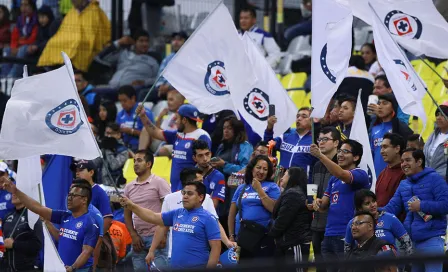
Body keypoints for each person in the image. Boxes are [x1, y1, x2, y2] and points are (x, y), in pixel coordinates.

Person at [0, 176, 100, 272]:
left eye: (73, 196)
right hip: (63, 268)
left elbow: (86, 252)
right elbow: (38, 208)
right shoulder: (65, 216)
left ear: (84, 199)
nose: (69, 198)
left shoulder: (91, 223)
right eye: (69, 195)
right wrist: (15, 191)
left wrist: (73, 268)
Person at [120, 180, 221, 269]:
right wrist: (132, 206)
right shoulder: (177, 213)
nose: (185, 196)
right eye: (184, 193)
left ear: (200, 197)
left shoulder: (208, 218)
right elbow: (152, 217)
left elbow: (216, 248)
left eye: (190, 194)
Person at [146, 168, 235, 268]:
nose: (203, 184)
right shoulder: (170, 199)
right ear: (189, 183)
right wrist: (152, 250)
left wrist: (227, 242)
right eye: (200, 181)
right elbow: (161, 225)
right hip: (175, 257)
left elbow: (215, 223)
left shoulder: (206, 198)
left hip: (198, 259)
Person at [383, 148, 448, 272]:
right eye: (402, 161)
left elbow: (446, 205)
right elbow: (392, 207)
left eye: (408, 160)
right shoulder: (403, 184)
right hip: (412, 243)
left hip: (432, 239)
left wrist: (421, 206)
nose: (403, 164)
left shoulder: (435, 179)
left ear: (419, 162)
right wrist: (376, 211)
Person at [310, 139, 370, 271]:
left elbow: (342, 174)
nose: (340, 154)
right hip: (329, 235)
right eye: (339, 151)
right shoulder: (333, 179)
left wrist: (320, 155)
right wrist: (317, 203)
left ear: (356, 157)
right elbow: (324, 205)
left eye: (345, 151)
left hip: (348, 234)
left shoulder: (361, 174)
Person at [138, 103, 211, 192]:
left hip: (191, 189)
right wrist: (143, 116)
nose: (175, 121)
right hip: (175, 188)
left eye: (177, 118)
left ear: (184, 120)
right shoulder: (177, 134)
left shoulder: (201, 136)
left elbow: (205, 162)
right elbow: (155, 132)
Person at [123, 150, 171, 271]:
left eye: (139, 160)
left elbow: (168, 210)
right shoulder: (129, 187)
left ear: (149, 164)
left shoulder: (159, 182)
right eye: (134, 161)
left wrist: (164, 234)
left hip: (157, 236)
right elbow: (127, 214)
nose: (135, 164)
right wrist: (133, 235)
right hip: (138, 238)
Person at [228, 155, 281, 259]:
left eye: (265, 169)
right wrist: (231, 235)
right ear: (252, 168)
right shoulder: (241, 188)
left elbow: (274, 209)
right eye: (258, 167)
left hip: (262, 237)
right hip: (242, 237)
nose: (261, 171)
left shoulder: (273, 187)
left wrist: (259, 189)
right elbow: (232, 214)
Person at [37, 0, 110, 72]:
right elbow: (63, 30)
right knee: (53, 42)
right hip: (70, 38)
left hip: (88, 41)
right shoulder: (73, 11)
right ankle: (51, 66)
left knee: (77, 44)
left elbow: (100, 30)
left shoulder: (94, 10)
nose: (73, 2)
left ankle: (72, 68)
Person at [210, 116, 253, 231]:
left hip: (236, 191)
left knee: (233, 224)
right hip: (221, 191)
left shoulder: (245, 146)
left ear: (237, 130)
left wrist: (224, 165)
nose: (226, 131)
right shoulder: (222, 146)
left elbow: (245, 169)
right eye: (224, 128)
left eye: (229, 128)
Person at [309, 126, 340, 272]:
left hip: (334, 223)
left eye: (325, 139)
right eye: (319, 139)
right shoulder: (316, 165)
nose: (321, 142)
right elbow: (312, 186)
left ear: (336, 143)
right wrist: (311, 200)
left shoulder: (340, 164)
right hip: (317, 223)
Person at [344, 189, 412, 256]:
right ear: (359, 208)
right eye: (367, 203)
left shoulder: (390, 218)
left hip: (390, 264)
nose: (372, 205)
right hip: (364, 265)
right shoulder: (353, 224)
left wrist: (405, 265)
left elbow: (407, 243)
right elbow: (347, 250)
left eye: (374, 201)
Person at [269, 167, 311, 267]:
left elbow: (282, 222)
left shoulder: (293, 194)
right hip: (288, 243)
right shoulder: (292, 192)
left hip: (295, 243)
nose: (282, 178)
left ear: (292, 177)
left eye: (285, 174)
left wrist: (270, 234)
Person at [95, 29, 160, 89]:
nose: (145, 44)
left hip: (131, 92)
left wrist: (144, 82)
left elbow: (158, 79)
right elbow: (102, 58)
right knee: (92, 92)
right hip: (111, 87)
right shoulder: (123, 54)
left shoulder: (152, 61)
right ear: (134, 43)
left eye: (147, 41)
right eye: (141, 41)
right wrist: (119, 42)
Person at [264, 107, 316, 177]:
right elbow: (268, 146)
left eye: (304, 116)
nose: (299, 118)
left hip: (302, 184)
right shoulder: (285, 136)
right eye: (297, 116)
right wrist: (270, 127)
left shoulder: (314, 140)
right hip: (280, 181)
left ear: (311, 120)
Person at [370, 94, 413, 176]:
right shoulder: (374, 129)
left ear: (393, 107)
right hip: (376, 176)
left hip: (396, 175)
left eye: (385, 103)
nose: (380, 106)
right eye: (379, 103)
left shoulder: (401, 128)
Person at [1, 193, 43, 271]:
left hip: (27, 268)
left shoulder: (33, 217)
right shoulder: (7, 217)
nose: (14, 194)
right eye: (13, 192)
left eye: (17, 191)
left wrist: (14, 244)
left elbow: (37, 245)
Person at [73, 160, 113, 231]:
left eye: (81, 170)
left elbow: (107, 218)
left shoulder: (99, 192)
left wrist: (98, 238)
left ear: (91, 172)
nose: (77, 173)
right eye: (76, 171)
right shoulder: (74, 191)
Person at [116, 85, 155, 152]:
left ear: (133, 98)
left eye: (125, 101)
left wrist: (131, 131)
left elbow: (151, 135)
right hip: (123, 147)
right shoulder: (120, 114)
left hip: (140, 148)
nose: (122, 104)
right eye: (120, 101)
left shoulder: (144, 113)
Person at [152, 31, 187, 103]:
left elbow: (184, 78)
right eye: (174, 39)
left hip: (180, 89)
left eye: (179, 39)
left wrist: (168, 87)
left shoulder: (189, 57)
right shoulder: (168, 58)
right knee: (145, 93)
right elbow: (160, 76)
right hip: (163, 89)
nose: (176, 42)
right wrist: (160, 86)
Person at [375, 133, 406, 207]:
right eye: (381, 147)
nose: (381, 151)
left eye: (385, 147)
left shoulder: (405, 173)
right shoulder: (382, 173)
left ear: (397, 149)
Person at [192, 140, 226, 208]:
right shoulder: (189, 174)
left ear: (211, 153)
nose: (205, 159)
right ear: (194, 158)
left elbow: (212, 206)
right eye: (200, 156)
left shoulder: (219, 176)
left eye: (207, 154)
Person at [98, 122, 128, 187]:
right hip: (100, 183)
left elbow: (114, 165)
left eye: (110, 134)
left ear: (118, 135)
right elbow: (95, 163)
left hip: (115, 185)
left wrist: (108, 149)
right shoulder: (103, 144)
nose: (108, 136)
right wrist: (101, 148)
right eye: (106, 133)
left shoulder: (123, 150)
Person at [423, 105, 448, 178]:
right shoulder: (433, 135)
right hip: (427, 175)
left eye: (443, 115)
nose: (439, 117)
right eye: (437, 115)